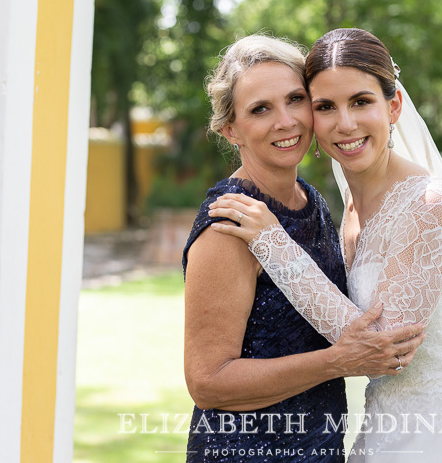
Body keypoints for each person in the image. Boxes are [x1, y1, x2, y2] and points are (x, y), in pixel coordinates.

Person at [209, 28, 442, 462]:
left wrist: (275, 246)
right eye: (325, 106)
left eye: (361, 102)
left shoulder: (428, 205)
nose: (345, 123)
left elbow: (386, 348)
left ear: (393, 106)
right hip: (387, 427)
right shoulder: (347, 213)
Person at [182, 34, 427, 463]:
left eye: (296, 99)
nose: (286, 120)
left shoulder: (311, 201)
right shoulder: (230, 223)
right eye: (260, 109)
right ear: (231, 129)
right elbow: (207, 381)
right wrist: (337, 362)